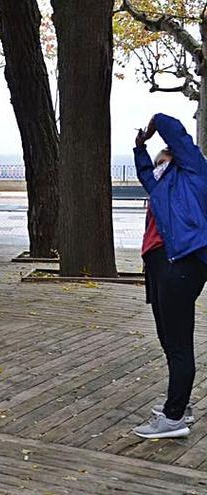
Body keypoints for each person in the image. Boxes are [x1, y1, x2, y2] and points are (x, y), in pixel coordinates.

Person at [133, 113, 207, 439]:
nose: (158, 165)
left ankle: (174, 417)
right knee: (168, 339)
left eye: (163, 159)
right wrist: (139, 148)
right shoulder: (160, 185)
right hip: (159, 265)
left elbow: (169, 125)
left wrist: (151, 126)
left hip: (182, 263)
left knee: (178, 344)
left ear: (175, 159)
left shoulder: (194, 170)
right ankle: (180, 405)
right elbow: (146, 175)